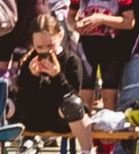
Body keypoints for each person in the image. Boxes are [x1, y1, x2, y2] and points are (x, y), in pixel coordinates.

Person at [72, 0, 133, 114]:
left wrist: (101, 19)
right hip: (87, 42)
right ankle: (85, 138)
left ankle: (108, 140)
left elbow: (129, 21)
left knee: (109, 95)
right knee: (85, 92)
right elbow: (70, 16)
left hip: (111, 44)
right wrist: (75, 26)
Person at [8, 14, 92, 145]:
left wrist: (57, 76)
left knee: (74, 104)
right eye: (39, 47)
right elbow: (23, 98)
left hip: (58, 118)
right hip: (32, 118)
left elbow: (73, 95)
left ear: (60, 36)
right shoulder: (29, 60)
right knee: (2, 102)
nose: (45, 51)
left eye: (50, 45)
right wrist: (31, 77)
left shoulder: (71, 61)